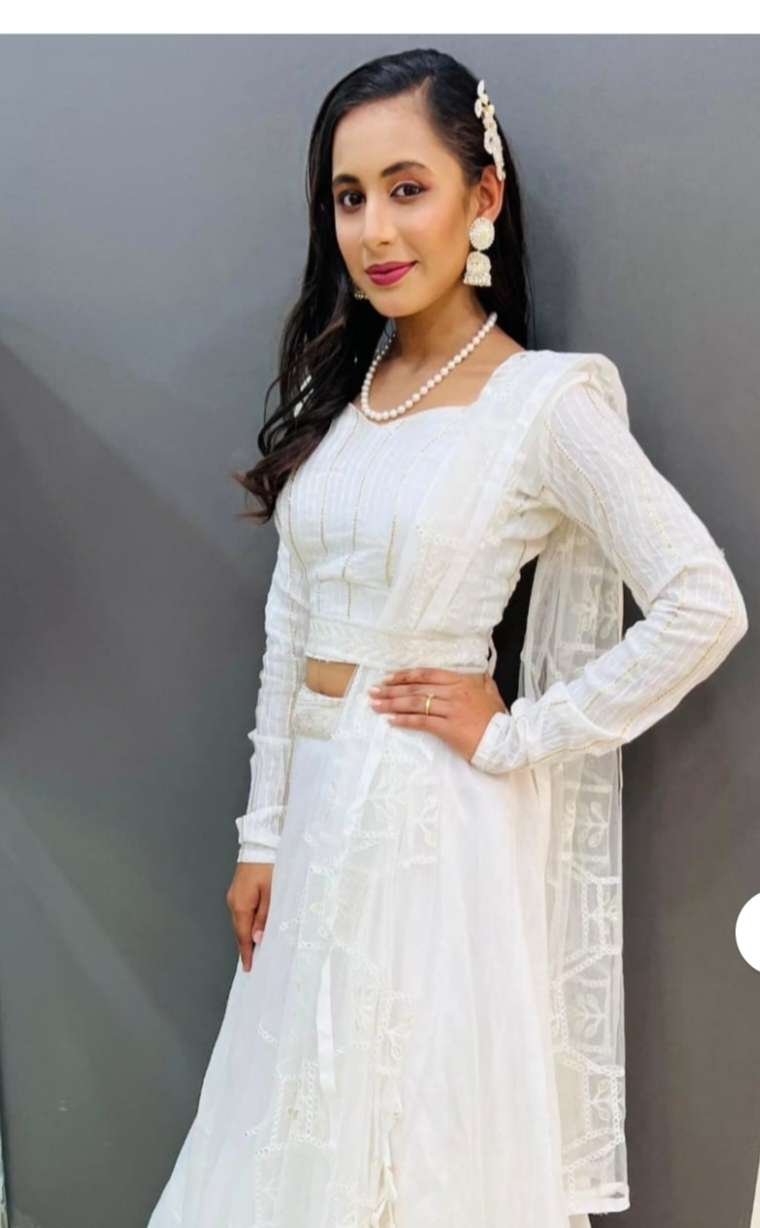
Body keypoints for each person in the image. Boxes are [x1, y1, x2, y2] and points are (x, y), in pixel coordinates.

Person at [146, 48, 748, 1228]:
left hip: (432, 821)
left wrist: (521, 732)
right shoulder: (345, 395)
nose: (373, 229)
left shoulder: (541, 404)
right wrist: (262, 833)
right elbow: (289, 627)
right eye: (348, 196)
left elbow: (701, 599)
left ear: (484, 195)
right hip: (318, 819)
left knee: (418, 1140)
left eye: (407, 187)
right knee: (298, 1132)